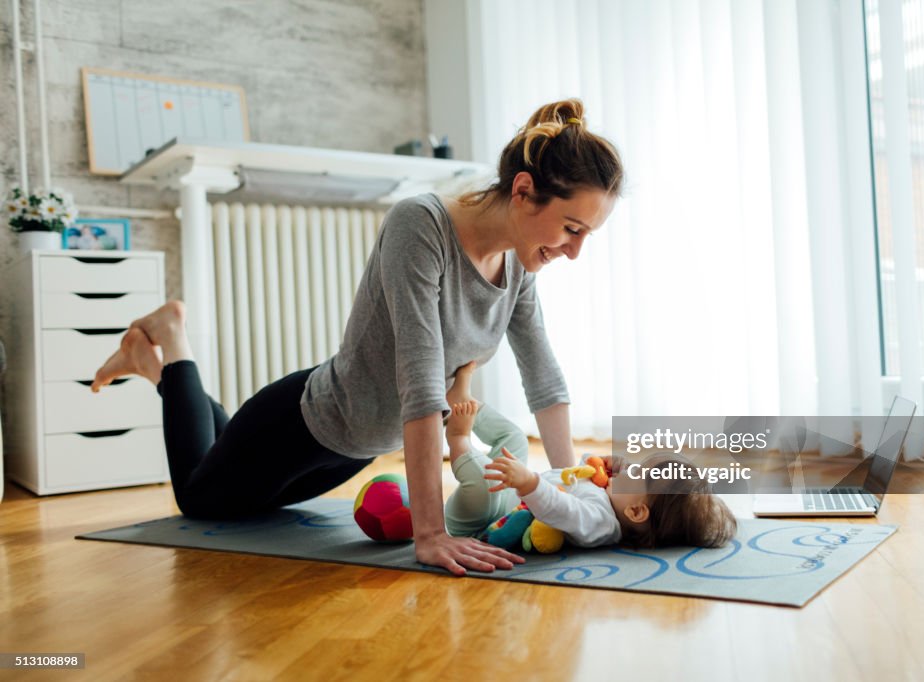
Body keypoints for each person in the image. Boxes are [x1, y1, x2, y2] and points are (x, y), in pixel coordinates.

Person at [90, 98, 624, 576]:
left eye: (586, 235)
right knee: (200, 499)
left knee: (246, 497)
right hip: (302, 423)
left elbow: (543, 377)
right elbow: (419, 378)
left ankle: (154, 357)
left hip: (358, 448)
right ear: (525, 191)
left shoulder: (520, 266)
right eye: (571, 229)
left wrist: (567, 486)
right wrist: (431, 534)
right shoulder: (421, 225)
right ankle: (168, 346)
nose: (574, 251)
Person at [443, 363, 737, 549]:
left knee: (484, 480)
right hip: (509, 495)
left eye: (639, 474)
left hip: (483, 519)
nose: (630, 467)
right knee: (515, 439)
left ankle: (458, 438)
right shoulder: (610, 498)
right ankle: (466, 403)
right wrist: (611, 466)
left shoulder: (600, 523)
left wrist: (530, 482)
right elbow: (574, 476)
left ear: (636, 511)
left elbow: (561, 508)